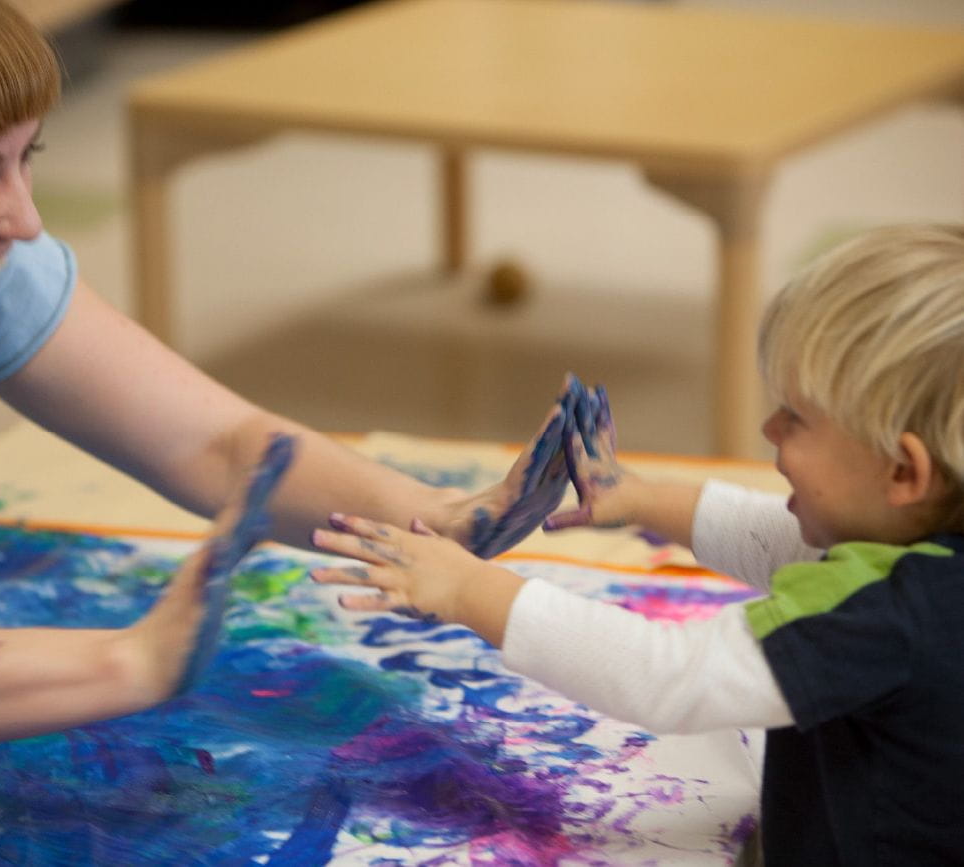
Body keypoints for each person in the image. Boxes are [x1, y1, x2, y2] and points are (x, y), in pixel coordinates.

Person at [0, 0, 574, 749]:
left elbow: (216, 442)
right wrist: (122, 661)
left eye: (26, 160)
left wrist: (431, 517)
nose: (26, 221)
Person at [312, 223, 964, 865]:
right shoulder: (928, 563)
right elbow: (783, 541)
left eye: (795, 417)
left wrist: (465, 588)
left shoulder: (887, 617)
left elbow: (672, 676)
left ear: (902, 472)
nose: (766, 428)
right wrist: (641, 497)